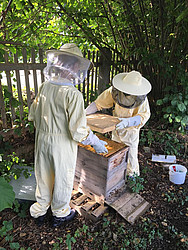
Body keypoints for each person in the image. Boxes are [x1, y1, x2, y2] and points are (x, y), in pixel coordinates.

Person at [28, 43, 108, 227]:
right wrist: (94, 141)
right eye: (77, 67)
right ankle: (60, 214)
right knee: (63, 177)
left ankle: (39, 211)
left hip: (42, 140)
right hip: (62, 143)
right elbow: (78, 130)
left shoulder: (45, 87)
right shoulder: (72, 94)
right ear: (72, 66)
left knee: (43, 175)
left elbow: (33, 115)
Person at [86, 70, 152, 177]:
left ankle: (133, 179)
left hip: (131, 132)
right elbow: (99, 103)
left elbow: (144, 116)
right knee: (116, 154)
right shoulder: (115, 91)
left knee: (131, 156)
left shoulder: (141, 98)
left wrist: (128, 122)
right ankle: (116, 176)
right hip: (116, 128)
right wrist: (84, 112)